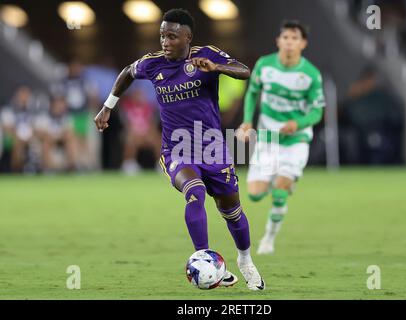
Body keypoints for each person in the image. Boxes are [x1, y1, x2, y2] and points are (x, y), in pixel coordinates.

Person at [93, 8, 265, 291]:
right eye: (162, 35)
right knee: (194, 193)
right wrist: (107, 107)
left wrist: (217, 68)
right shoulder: (153, 64)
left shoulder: (207, 55)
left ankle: (245, 260)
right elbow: (127, 73)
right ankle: (205, 259)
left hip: (213, 150)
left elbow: (245, 71)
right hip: (177, 149)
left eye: (172, 36)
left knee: (231, 210)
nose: (165, 41)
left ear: (187, 38)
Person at [237, 20, 325, 255]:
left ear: (303, 44)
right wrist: (247, 122)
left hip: (295, 141)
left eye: (294, 38)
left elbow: (317, 111)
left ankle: (269, 238)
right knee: (254, 195)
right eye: (285, 37)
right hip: (267, 138)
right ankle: (282, 181)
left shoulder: (310, 75)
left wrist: (298, 123)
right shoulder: (264, 66)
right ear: (278, 41)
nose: (289, 42)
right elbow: (252, 93)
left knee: (279, 192)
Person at [35, 95, 77, 172]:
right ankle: (48, 169)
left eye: (62, 104)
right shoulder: (44, 116)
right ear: (52, 105)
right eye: (58, 104)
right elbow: (39, 132)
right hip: (48, 141)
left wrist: (59, 136)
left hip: (61, 141)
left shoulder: (66, 117)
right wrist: (49, 136)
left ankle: (71, 168)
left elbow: (69, 131)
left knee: (71, 140)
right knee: (46, 141)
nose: (60, 107)